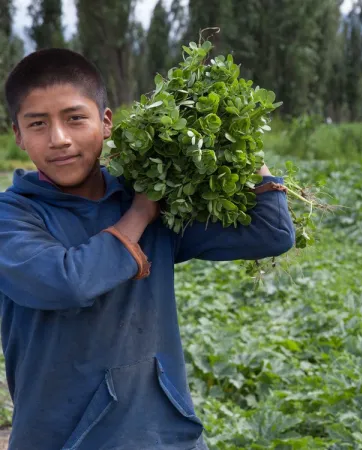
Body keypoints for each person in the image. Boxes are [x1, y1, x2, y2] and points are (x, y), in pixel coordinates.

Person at [0, 48, 295, 449]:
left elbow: (270, 234)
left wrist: (237, 135)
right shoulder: (13, 216)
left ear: (105, 123)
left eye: (75, 118)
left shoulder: (147, 197)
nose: (60, 139)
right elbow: (66, 282)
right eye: (37, 124)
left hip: (162, 435)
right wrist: (139, 214)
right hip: (61, 437)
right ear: (17, 134)